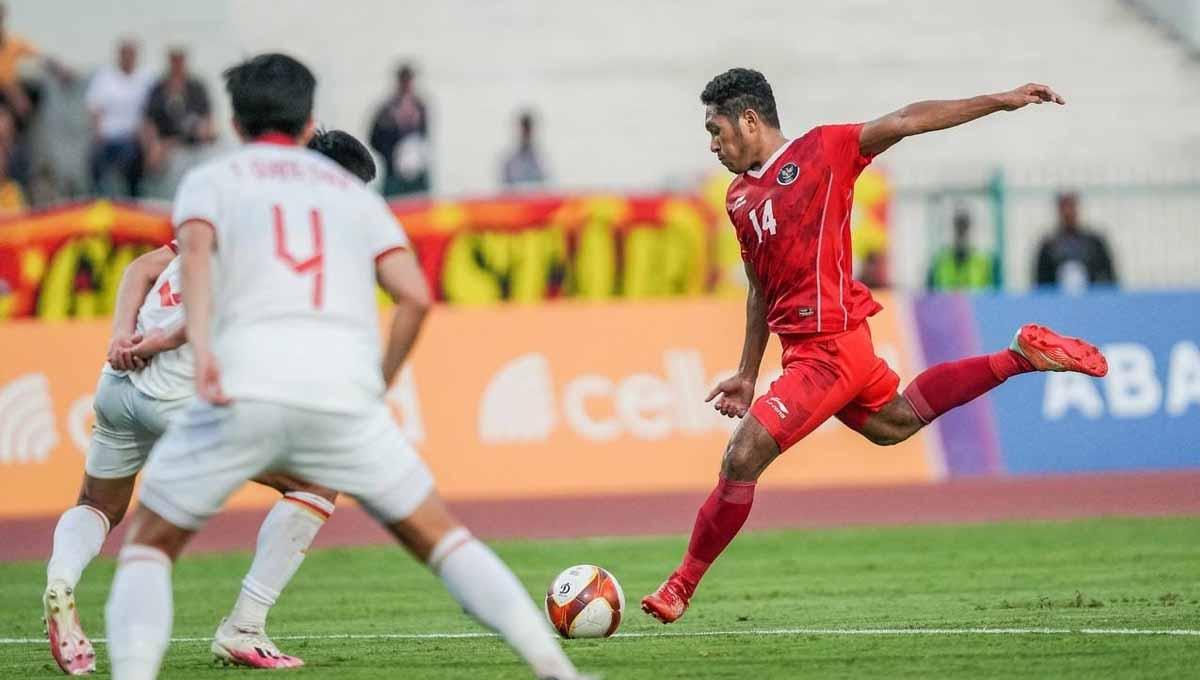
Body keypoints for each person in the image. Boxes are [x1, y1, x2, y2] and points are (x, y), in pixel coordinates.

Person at [102, 54, 588, 680]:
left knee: (148, 544)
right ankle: (558, 671)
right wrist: (378, 385)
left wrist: (197, 354)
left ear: (235, 119)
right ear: (309, 116)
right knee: (444, 540)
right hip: (336, 398)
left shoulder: (213, 182)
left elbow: (192, 264)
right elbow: (414, 296)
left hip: (244, 388)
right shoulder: (352, 196)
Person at [640, 68, 1110, 625]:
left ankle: (679, 586)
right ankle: (1018, 356)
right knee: (896, 423)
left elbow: (907, 121)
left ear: (749, 118)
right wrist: (747, 372)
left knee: (741, 458)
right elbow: (760, 289)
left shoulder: (825, 149)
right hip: (826, 351)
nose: (714, 145)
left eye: (717, 130)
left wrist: (1000, 101)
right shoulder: (740, 199)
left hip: (829, 349)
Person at [41, 128, 381, 676]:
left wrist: (123, 336)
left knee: (98, 505)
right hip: (177, 395)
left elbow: (141, 269)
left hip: (118, 385)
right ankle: (243, 628)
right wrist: (158, 342)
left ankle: (60, 581)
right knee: (316, 482)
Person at [140, 47, 215, 197]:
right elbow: (149, 121)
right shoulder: (158, 88)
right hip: (166, 145)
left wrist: (205, 132)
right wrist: (152, 146)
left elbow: (208, 119)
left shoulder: (196, 87)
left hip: (194, 144)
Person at [84, 39, 152, 197]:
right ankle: (98, 196)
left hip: (132, 136)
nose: (128, 58)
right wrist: (98, 132)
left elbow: (150, 112)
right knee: (96, 158)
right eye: (124, 54)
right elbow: (95, 108)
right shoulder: (105, 77)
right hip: (108, 135)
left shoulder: (146, 78)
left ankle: (131, 197)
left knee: (131, 158)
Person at [1033, 192, 1117, 291]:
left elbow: (1109, 278)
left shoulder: (1094, 243)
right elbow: (1040, 284)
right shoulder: (1048, 246)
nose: (1068, 213)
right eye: (1064, 208)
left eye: (1071, 207)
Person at [368, 63, 430, 196]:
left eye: (409, 80)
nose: (407, 84)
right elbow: (374, 138)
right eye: (404, 80)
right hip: (394, 172)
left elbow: (425, 136)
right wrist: (391, 155)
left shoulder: (420, 106)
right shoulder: (386, 109)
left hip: (417, 171)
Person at [926, 208, 998, 291]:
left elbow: (993, 297)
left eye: (965, 227)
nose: (961, 232)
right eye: (958, 226)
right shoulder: (939, 262)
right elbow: (929, 295)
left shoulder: (984, 263)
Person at [501, 110, 548, 188]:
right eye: (524, 129)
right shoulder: (510, 162)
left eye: (528, 129)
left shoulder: (541, 160)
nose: (526, 133)